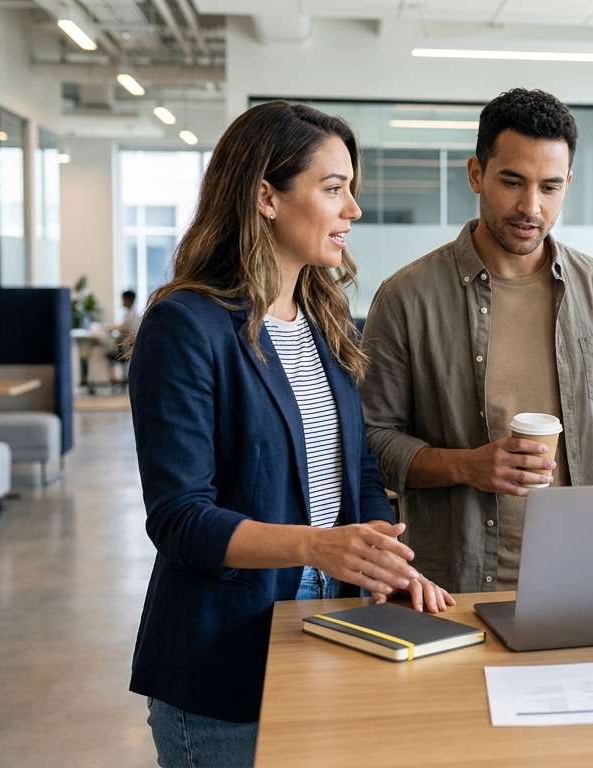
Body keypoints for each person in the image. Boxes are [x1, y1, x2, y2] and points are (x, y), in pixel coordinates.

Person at [127, 101, 452, 767]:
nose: (352, 210)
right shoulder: (186, 326)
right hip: (222, 666)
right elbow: (181, 519)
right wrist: (319, 546)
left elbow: (357, 471)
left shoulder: (325, 322)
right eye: (333, 189)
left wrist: (381, 560)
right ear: (265, 196)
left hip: (327, 632)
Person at [362, 88, 593, 594]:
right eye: (512, 182)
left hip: (585, 581)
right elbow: (374, 440)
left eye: (550, 187)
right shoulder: (406, 297)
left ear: (568, 186)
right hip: (458, 586)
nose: (530, 206)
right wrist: (467, 465)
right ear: (476, 174)